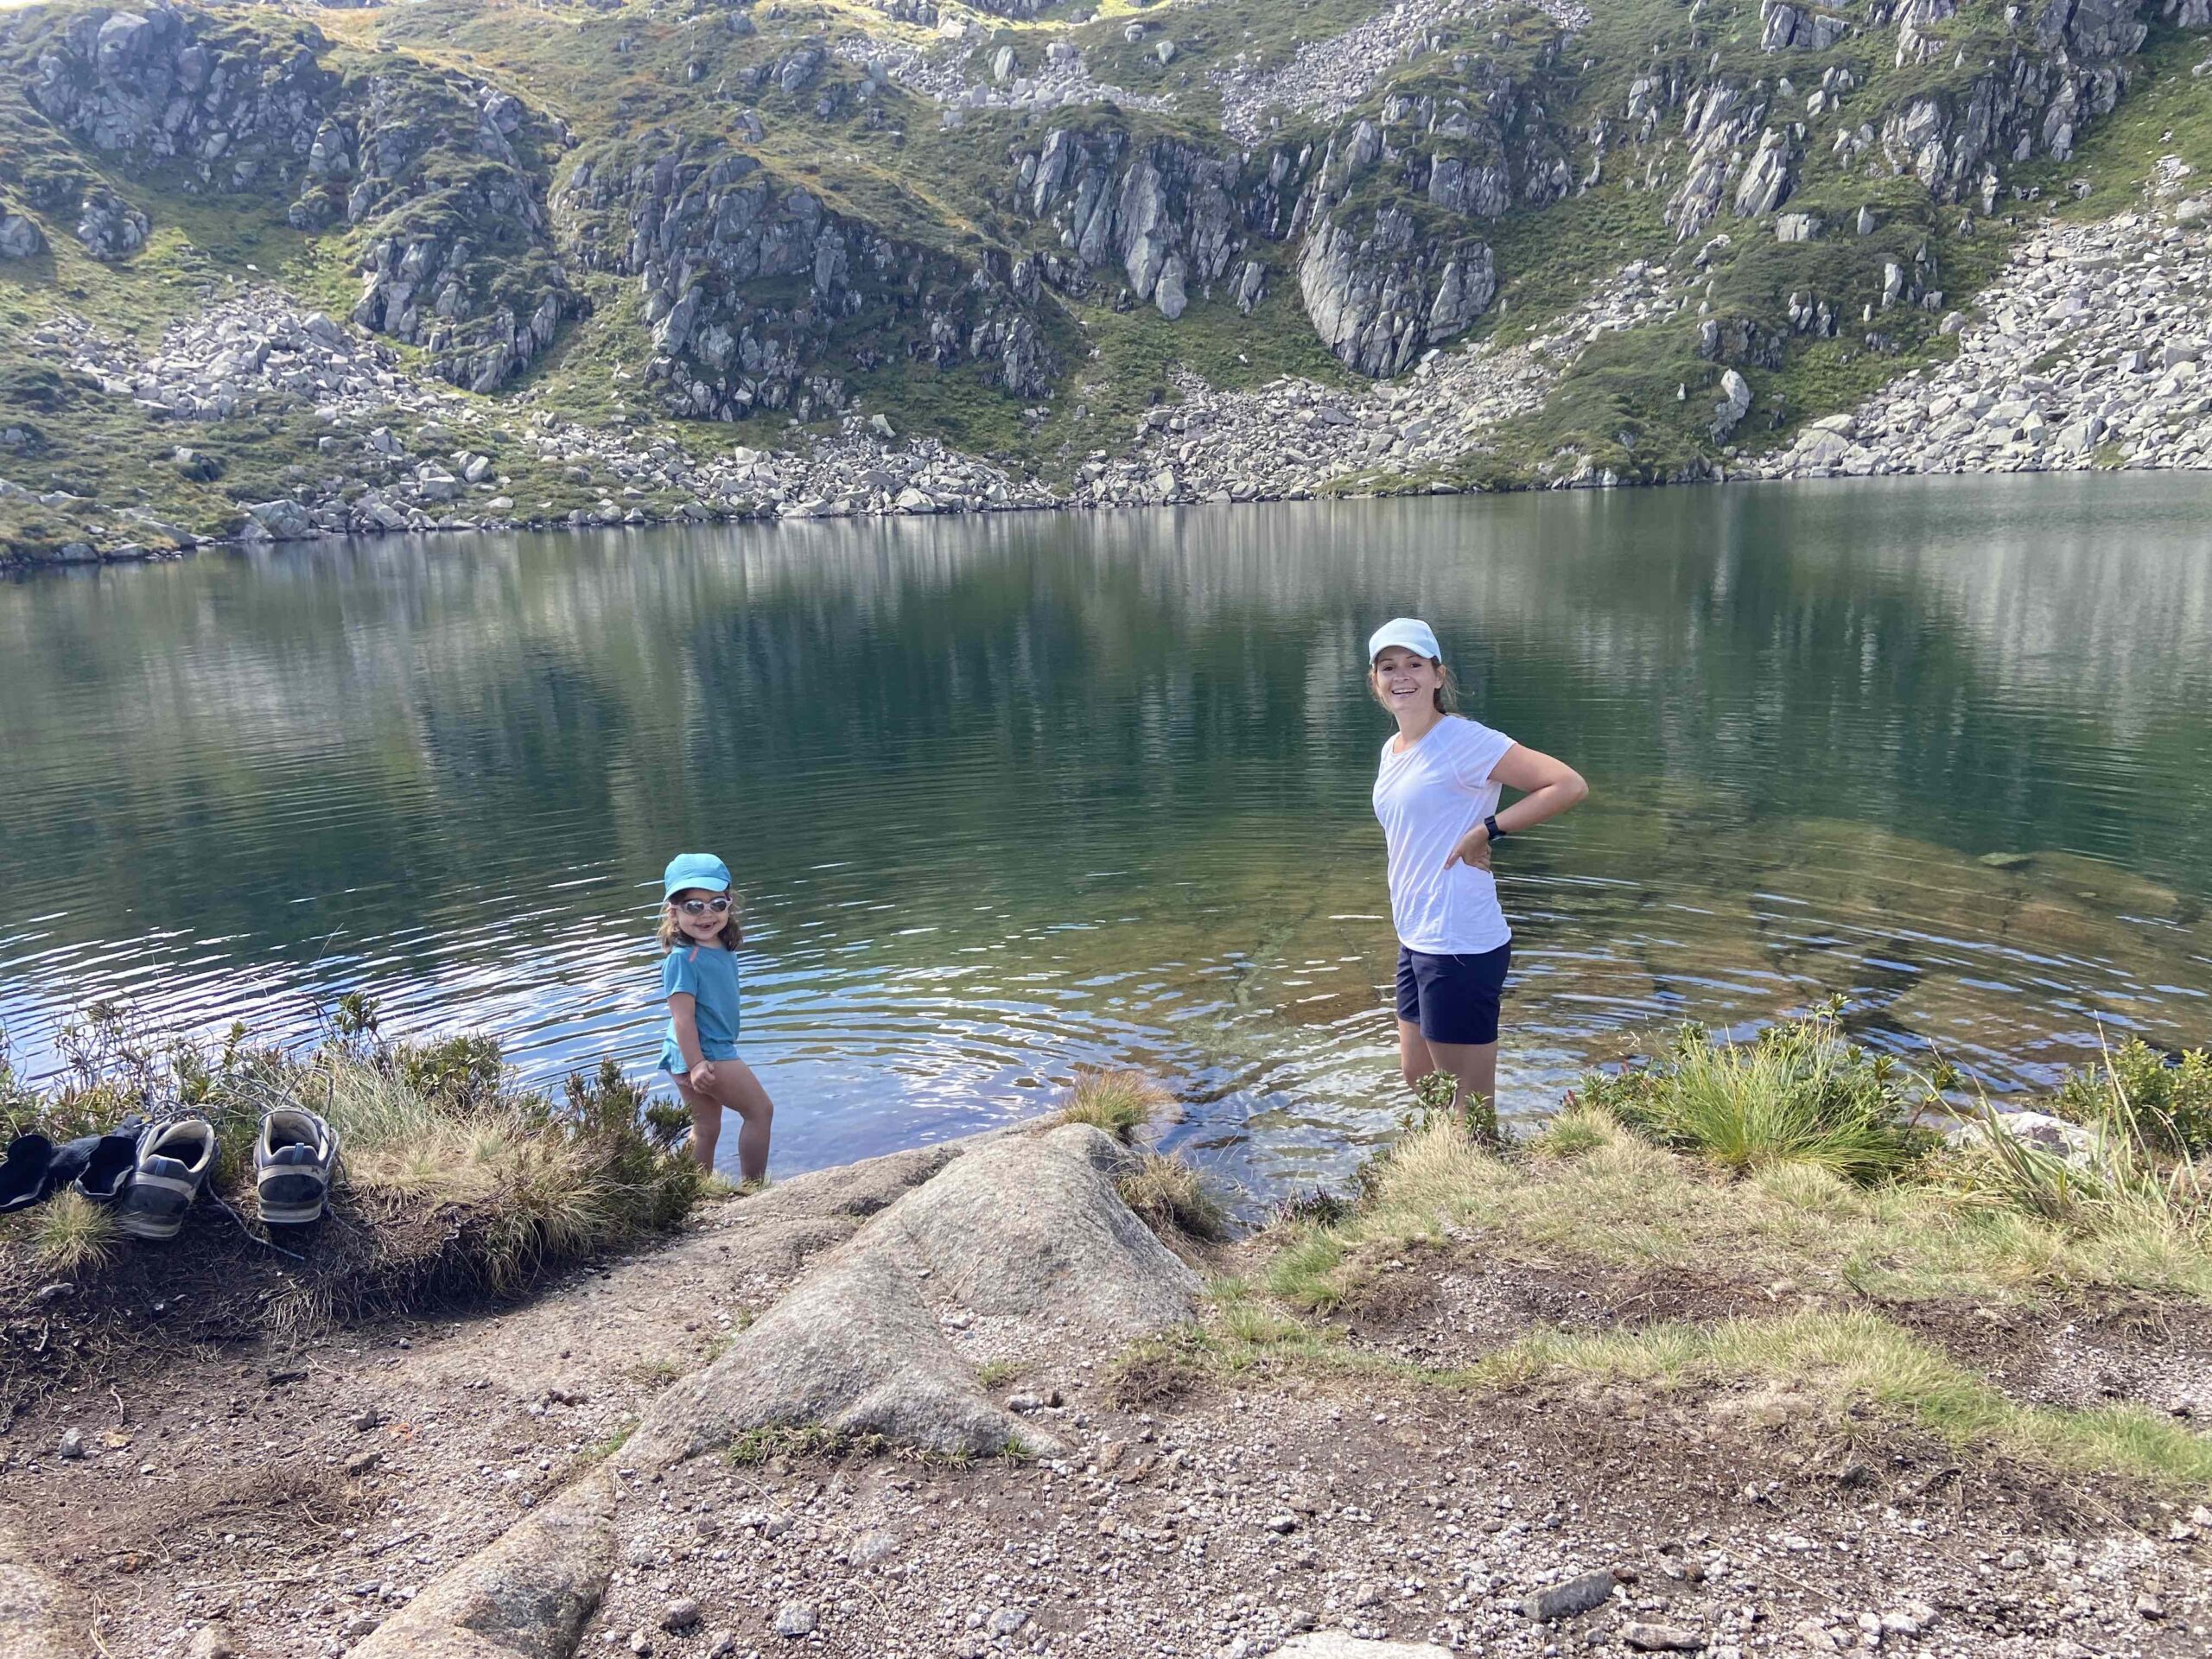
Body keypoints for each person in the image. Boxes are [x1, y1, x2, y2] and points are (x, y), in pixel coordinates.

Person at [1368, 618, 1586, 1128]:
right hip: (1417, 934)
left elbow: (1566, 784)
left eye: (1414, 665)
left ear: (1438, 676)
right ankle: (1457, 1156)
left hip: (1459, 938)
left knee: (1469, 1102)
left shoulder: (1464, 741)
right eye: (1389, 667)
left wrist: (1487, 830)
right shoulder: (1393, 749)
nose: (1402, 677)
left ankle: (1480, 1174)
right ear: (1375, 681)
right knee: (1418, 1074)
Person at [656, 852, 775, 1180]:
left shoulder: (721, 943)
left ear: (729, 904)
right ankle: (755, 1189)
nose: (707, 915)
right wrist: (696, 1064)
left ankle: (690, 1190)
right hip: (704, 1051)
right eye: (694, 906)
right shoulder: (683, 959)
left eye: (717, 904)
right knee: (760, 1111)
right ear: (674, 911)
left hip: (690, 1051)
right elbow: (682, 1018)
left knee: (706, 1127)